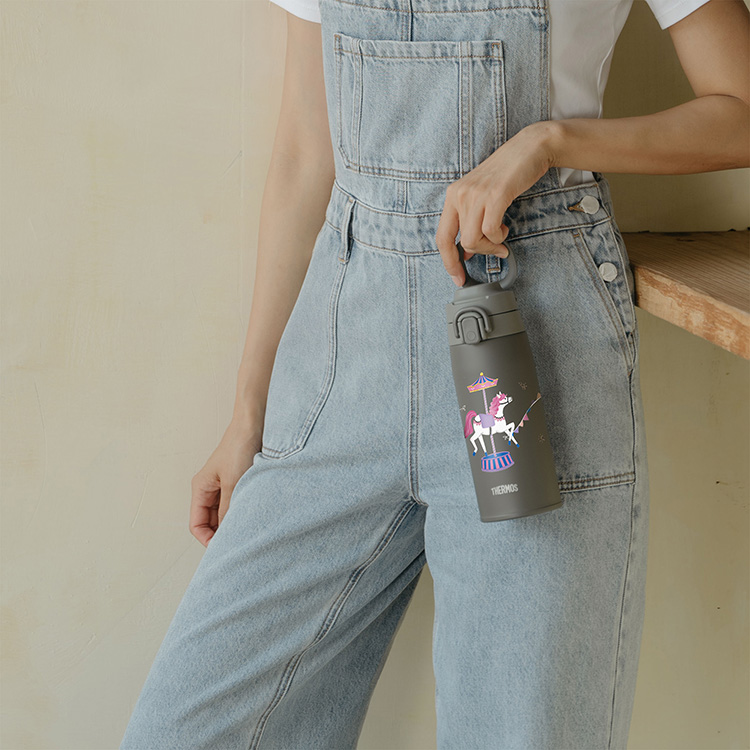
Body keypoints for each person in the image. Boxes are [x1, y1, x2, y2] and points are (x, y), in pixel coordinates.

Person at [121, 0, 748, 747]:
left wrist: (551, 141)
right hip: (341, 370)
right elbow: (304, 152)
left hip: (532, 357)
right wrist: (248, 413)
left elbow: (741, 110)